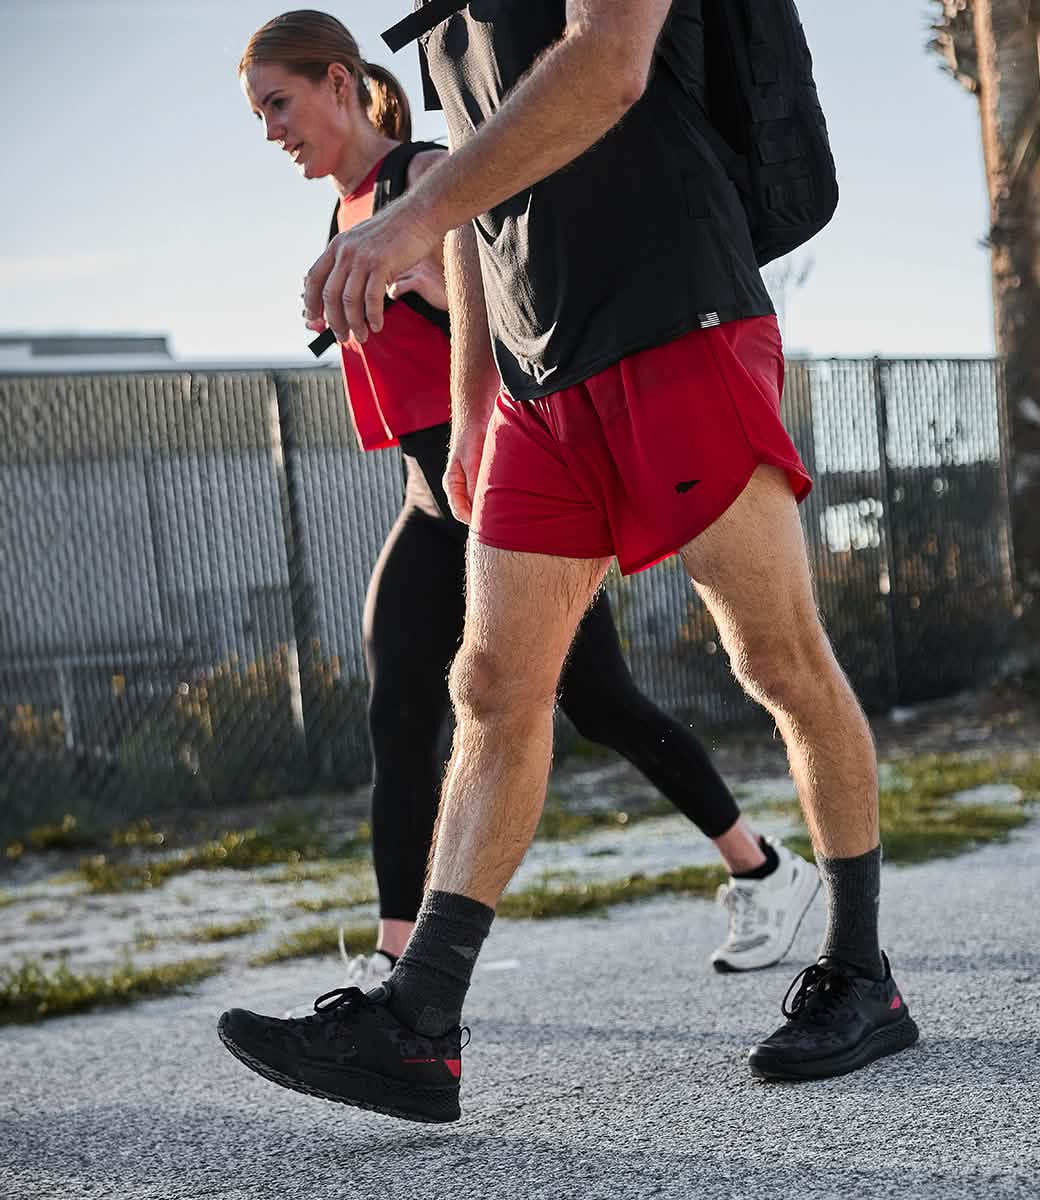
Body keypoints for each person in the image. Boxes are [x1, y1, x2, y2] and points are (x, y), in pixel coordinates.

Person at [219, 1, 918, 1125]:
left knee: (778, 660)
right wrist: (475, 395)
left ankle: (861, 970)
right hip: (541, 380)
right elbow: (477, 212)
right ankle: (421, 1021)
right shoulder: (443, 20)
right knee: (492, 686)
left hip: (675, 316)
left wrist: (399, 223)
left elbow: (610, 65)